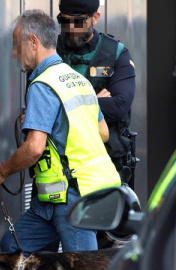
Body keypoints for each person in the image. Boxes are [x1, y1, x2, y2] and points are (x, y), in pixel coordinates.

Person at [0, 10, 121, 256]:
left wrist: (2, 171)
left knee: (81, 262)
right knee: (13, 245)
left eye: (17, 46)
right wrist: (49, 122)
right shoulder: (78, 80)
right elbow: (102, 133)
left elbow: (34, 148)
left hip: (72, 196)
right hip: (57, 198)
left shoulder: (42, 85)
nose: (15, 55)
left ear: (33, 42)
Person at [56, 0, 137, 187]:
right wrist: (93, 101)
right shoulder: (51, 50)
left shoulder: (116, 53)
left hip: (105, 164)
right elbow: (41, 105)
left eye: (77, 22)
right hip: (60, 165)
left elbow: (118, 107)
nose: (70, 28)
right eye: (64, 21)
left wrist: (62, 106)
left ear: (95, 18)